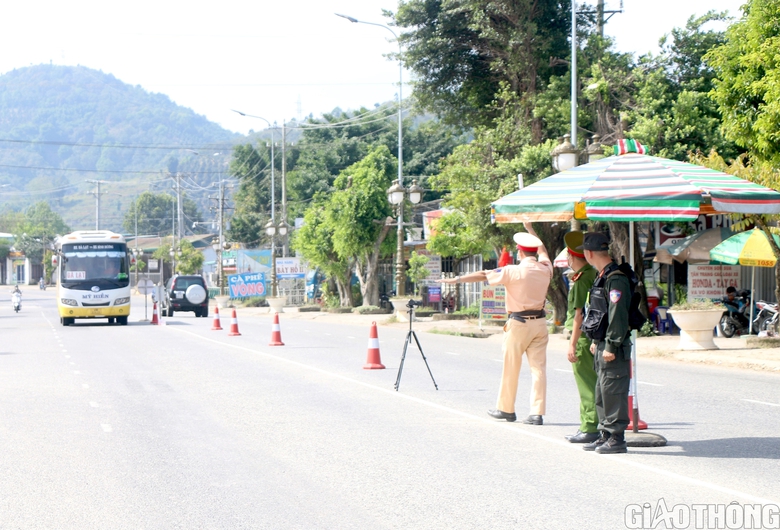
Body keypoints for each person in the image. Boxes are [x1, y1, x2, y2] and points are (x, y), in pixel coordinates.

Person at [438, 222, 552, 425]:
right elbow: (543, 251)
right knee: (539, 369)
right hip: (540, 323)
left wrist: (455, 280)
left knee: (511, 367)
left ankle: (506, 409)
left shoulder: (512, 271)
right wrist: (531, 231)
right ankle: (537, 413)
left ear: (519, 251)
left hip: (519, 324)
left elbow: (483, 274)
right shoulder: (546, 269)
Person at [581, 232, 632, 454]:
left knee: (613, 390)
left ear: (588, 253)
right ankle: (605, 434)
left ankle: (617, 438)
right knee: (602, 391)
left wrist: (611, 344)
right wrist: (597, 340)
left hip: (614, 345)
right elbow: (600, 313)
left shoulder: (616, 278)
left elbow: (618, 315)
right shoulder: (602, 276)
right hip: (602, 342)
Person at [562, 231, 599, 443]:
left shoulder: (581, 279)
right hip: (592, 337)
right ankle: (592, 424)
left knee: (586, 384)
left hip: (583, 338)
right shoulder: (593, 274)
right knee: (593, 382)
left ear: (571, 258)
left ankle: (589, 426)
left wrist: (572, 344)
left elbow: (579, 315)